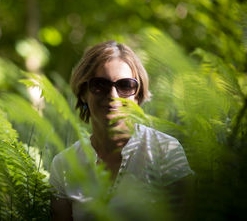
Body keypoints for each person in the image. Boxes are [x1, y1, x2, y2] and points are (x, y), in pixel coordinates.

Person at [49, 41, 193, 220]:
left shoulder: (166, 151)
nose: (113, 96)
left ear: (138, 96)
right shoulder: (63, 165)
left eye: (125, 85)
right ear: (83, 93)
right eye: (100, 85)